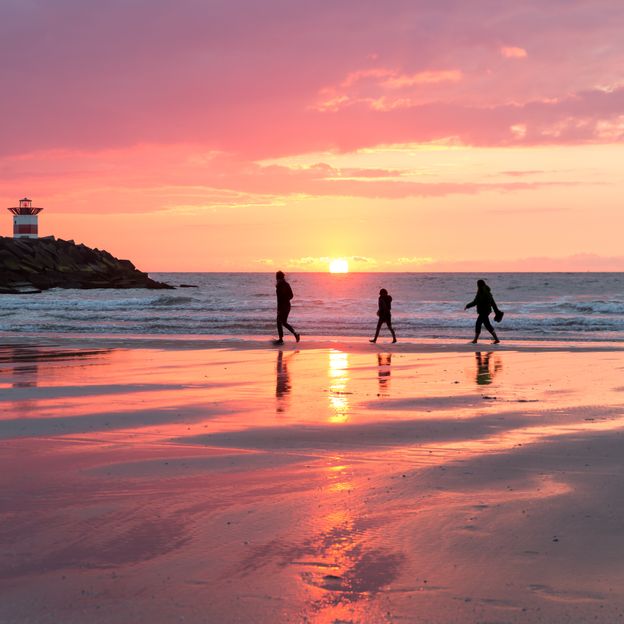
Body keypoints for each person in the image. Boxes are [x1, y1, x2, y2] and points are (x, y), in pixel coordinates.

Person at [465, 279, 501, 344]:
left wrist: (467, 306)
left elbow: (476, 301)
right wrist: (496, 311)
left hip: (483, 311)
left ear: (479, 285)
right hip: (487, 311)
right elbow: (493, 302)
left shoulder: (481, 292)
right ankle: (496, 339)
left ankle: (475, 340)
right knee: (486, 325)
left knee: (479, 324)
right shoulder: (488, 291)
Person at [274, 271, 300, 345]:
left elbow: (279, 299)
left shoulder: (279, 286)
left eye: (276, 277)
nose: (276, 279)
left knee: (280, 322)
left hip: (282, 306)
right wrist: (286, 299)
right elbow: (291, 296)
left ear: (278, 277)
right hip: (287, 306)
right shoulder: (286, 284)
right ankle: (295, 334)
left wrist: (279, 309)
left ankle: (281, 339)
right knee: (283, 322)